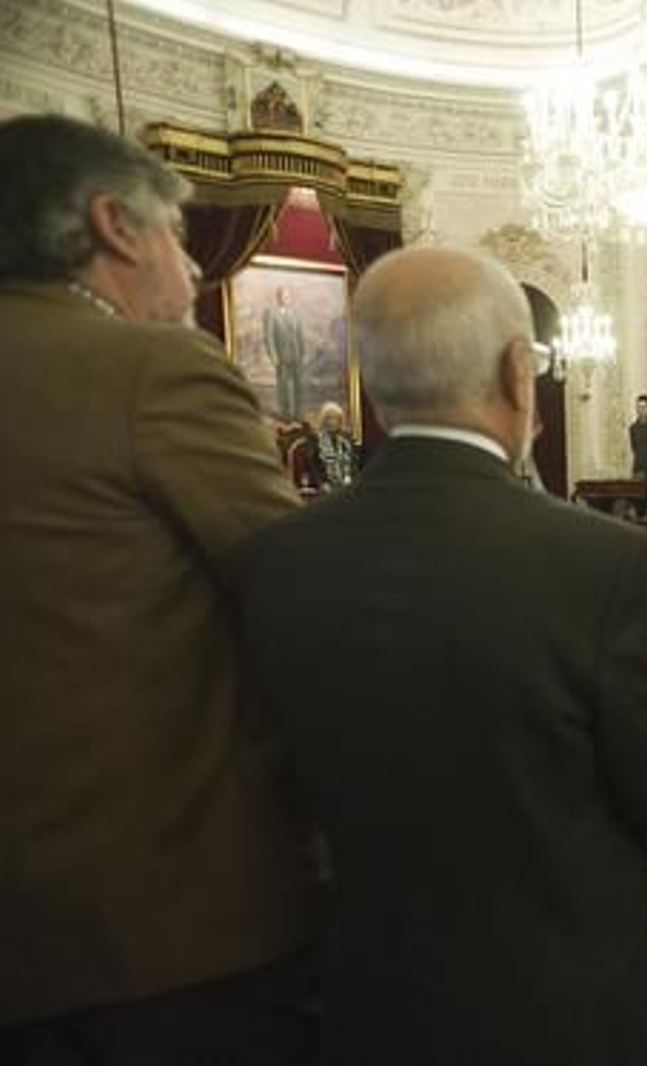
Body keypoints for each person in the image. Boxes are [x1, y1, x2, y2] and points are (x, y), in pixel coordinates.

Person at [237, 246, 647, 1066]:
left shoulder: (277, 559)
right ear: (520, 374)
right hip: (573, 1009)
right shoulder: (597, 560)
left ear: (372, 386)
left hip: (371, 1006)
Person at [0, 114, 320, 1062]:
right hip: (161, 938)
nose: (194, 275)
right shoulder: (151, 369)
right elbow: (300, 595)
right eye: (181, 240)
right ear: (115, 227)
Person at [263, 285, 307, 420]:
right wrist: (274, 357)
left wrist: (302, 354)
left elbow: (300, 336)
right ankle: (286, 415)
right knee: (284, 388)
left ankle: (298, 415)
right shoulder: (272, 315)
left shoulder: (295, 314)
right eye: (282, 296)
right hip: (282, 358)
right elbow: (269, 337)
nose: (285, 299)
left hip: (296, 356)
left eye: (287, 297)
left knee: (299, 386)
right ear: (278, 298)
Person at [314, 400, 359, 491]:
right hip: (325, 487)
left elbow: (353, 464)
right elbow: (314, 467)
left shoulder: (347, 440)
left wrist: (350, 477)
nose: (332, 422)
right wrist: (323, 483)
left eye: (335, 418)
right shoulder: (315, 440)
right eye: (328, 418)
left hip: (348, 485)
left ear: (340, 421)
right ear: (323, 421)